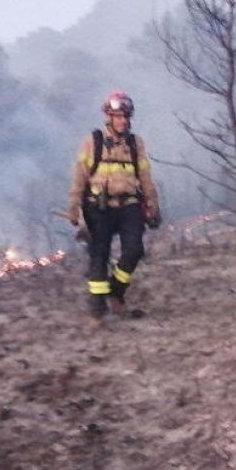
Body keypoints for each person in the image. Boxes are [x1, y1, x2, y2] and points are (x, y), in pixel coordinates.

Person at [67, 90, 161, 326]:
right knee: (99, 255)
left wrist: (152, 205)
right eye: (118, 116)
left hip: (129, 204)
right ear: (109, 117)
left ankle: (116, 291)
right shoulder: (93, 141)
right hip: (98, 207)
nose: (123, 121)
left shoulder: (135, 143)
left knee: (134, 250)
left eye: (126, 116)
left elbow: (145, 176)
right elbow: (80, 176)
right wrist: (74, 207)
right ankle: (97, 310)